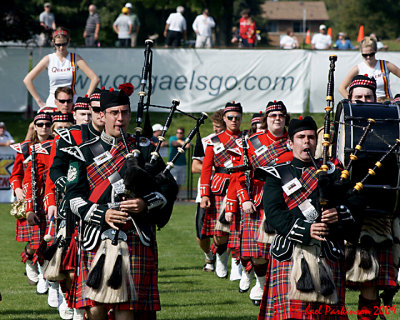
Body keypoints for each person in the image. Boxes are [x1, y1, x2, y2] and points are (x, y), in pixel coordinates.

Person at [65, 87, 177, 319]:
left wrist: (146, 203)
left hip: (135, 234)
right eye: (114, 112)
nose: (120, 118)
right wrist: (102, 214)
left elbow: (168, 187)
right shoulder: (82, 152)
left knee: (127, 310)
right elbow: (73, 198)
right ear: (102, 115)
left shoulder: (146, 148)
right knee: (95, 308)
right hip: (95, 235)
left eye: (125, 113)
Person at [258, 115, 358, 320]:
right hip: (290, 253)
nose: (307, 141)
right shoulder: (277, 174)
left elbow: (355, 207)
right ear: (290, 142)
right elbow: (274, 213)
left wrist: (338, 214)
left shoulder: (335, 174)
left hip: (327, 254)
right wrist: (306, 229)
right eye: (301, 137)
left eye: (311, 137)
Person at [225, 101, 293, 305]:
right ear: (266, 119)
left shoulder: (294, 141)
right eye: (273, 116)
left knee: (284, 248)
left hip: (287, 198)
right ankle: (261, 283)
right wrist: (244, 198)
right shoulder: (251, 142)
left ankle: (280, 286)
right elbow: (238, 175)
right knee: (257, 253)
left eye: (281, 115)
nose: (277, 118)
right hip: (257, 199)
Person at [200, 102, 243, 279]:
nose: (234, 120)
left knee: (239, 229)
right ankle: (220, 257)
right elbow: (206, 168)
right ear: (224, 119)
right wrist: (204, 194)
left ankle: (237, 267)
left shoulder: (248, 138)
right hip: (219, 188)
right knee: (220, 231)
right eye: (230, 117)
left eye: (237, 118)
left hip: (241, 186)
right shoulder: (214, 140)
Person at [23, 27, 99, 109]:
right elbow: (27, 80)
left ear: (68, 41)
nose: (61, 48)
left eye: (64, 44)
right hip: (53, 104)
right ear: (53, 42)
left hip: (71, 104)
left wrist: (86, 99)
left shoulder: (75, 58)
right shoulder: (48, 59)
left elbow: (95, 78)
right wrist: (39, 101)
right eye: (58, 45)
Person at [23, 112, 55, 302]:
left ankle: (47, 278)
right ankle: (30, 259)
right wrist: (26, 203)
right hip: (31, 199)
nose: (44, 127)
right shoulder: (27, 147)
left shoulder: (57, 144)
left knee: (49, 240)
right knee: (34, 243)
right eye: (40, 124)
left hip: (50, 198)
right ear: (34, 126)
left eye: (47, 124)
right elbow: (21, 176)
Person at [192, 110, 225, 272]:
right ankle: (209, 255)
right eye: (215, 126)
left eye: (220, 127)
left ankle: (221, 258)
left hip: (224, 193)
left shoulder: (233, 142)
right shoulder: (206, 141)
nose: (216, 130)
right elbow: (195, 166)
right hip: (204, 194)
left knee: (223, 230)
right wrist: (213, 168)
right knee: (201, 234)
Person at [338, 36, 400, 102]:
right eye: (365, 55)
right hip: (367, 103)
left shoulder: (385, 65)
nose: (368, 57)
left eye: (371, 54)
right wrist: (352, 101)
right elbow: (341, 88)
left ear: (376, 51)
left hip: (386, 103)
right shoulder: (358, 68)